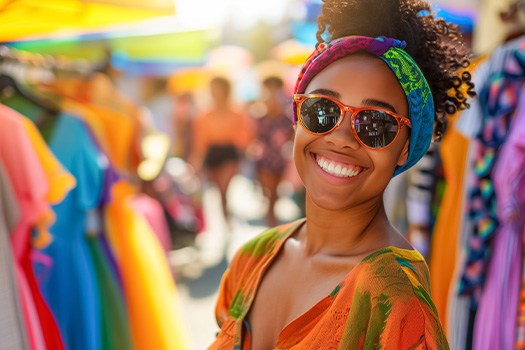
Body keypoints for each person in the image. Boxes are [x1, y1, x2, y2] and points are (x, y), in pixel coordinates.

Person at [209, 0, 472, 348]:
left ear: (405, 149)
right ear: (297, 117)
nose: (342, 138)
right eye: (323, 110)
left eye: (376, 123)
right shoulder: (252, 257)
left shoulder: (395, 302)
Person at [191, 76, 253, 222]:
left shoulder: (236, 111)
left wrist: (243, 149)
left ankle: (227, 215)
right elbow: (201, 139)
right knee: (219, 189)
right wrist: (197, 159)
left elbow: (245, 133)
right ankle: (225, 215)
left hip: (229, 151)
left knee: (224, 186)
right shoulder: (205, 114)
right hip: (213, 152)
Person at [252, 76, 295, 227]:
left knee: (274, 195)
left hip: (279, 159)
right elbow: (253, 138)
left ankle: (272, 224)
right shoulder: (258, 114)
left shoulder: (287, 115)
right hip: (265, 159)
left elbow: (292, 136)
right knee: (270, 195)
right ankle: (271, 225)